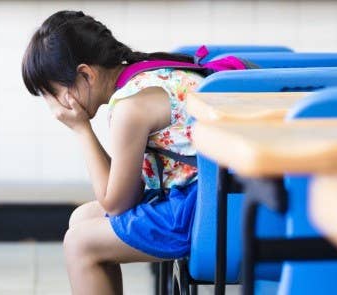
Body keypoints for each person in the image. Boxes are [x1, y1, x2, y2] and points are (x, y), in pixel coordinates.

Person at [22, 10, 205, 295]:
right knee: (81, 220)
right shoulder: (146, 73)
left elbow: (116, 204)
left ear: (85, 74)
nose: (53, 107)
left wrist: (82, 129)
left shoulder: (130, 107)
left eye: (52, 93)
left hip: (202, 210)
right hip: (215, 196)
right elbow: (125, 192)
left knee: (79, 244)